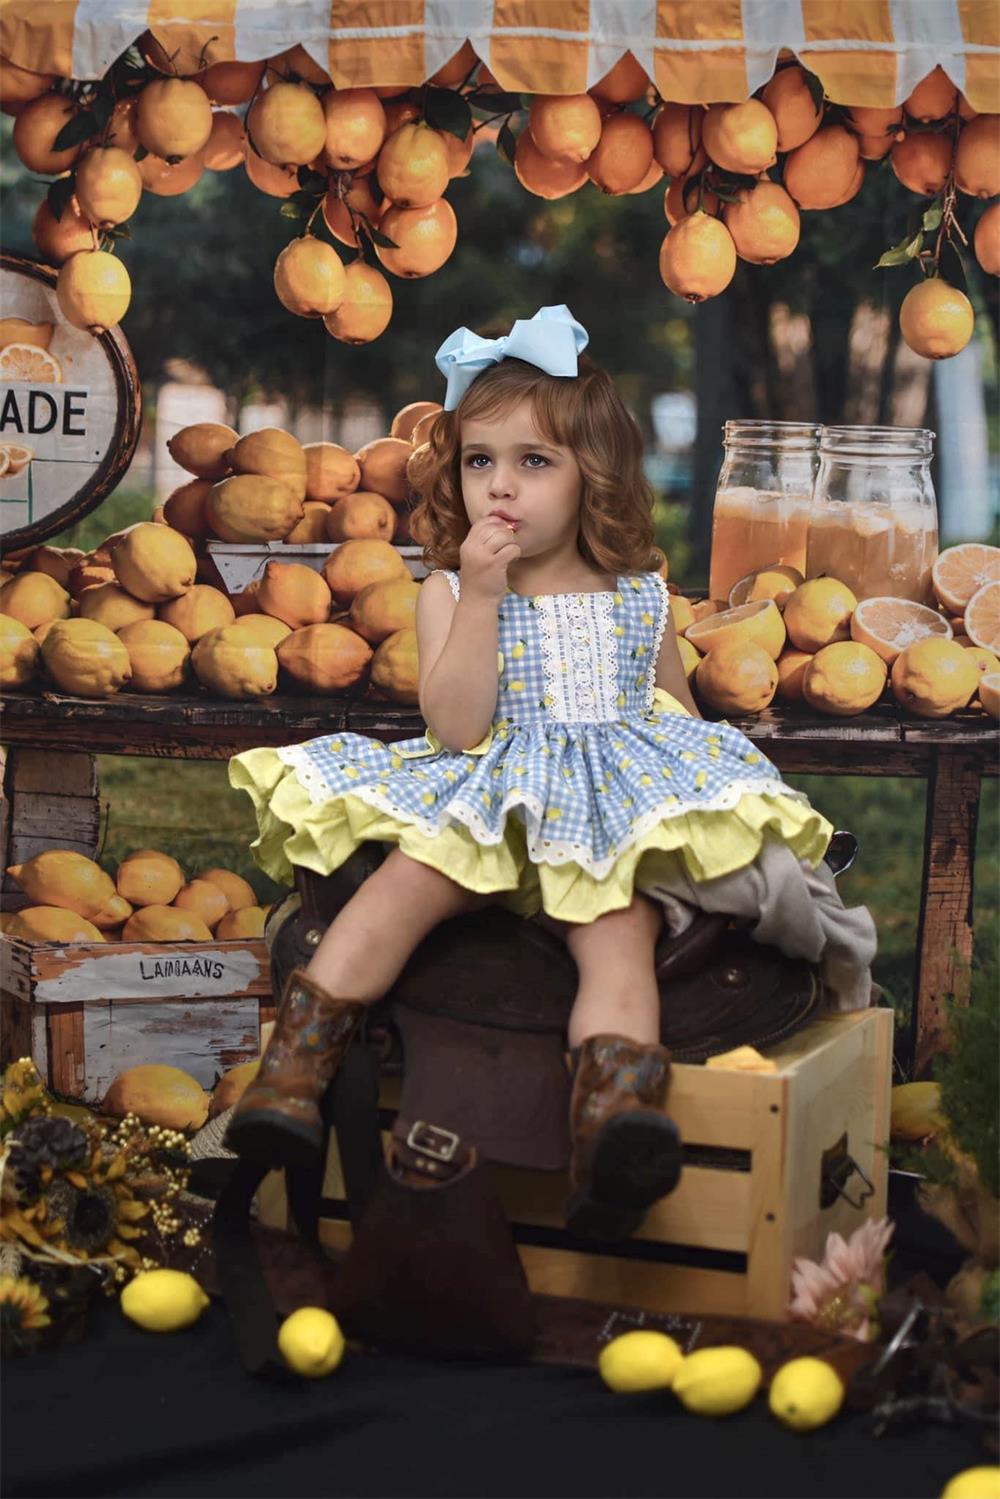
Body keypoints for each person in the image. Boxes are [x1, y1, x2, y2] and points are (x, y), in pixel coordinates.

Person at [225, 305, 877, 1241]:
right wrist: (484, 597)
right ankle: (294, 1070)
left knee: (616, 931)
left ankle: (617, 1117)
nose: (501, 486)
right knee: (403, 886)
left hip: (604, 804)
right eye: (480, 460)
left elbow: (676, 711)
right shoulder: (449, 588)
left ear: (592, 476)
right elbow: (453, 725)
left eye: (535, 462)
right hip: (490, 784)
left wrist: (711, 803)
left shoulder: (640, 588)